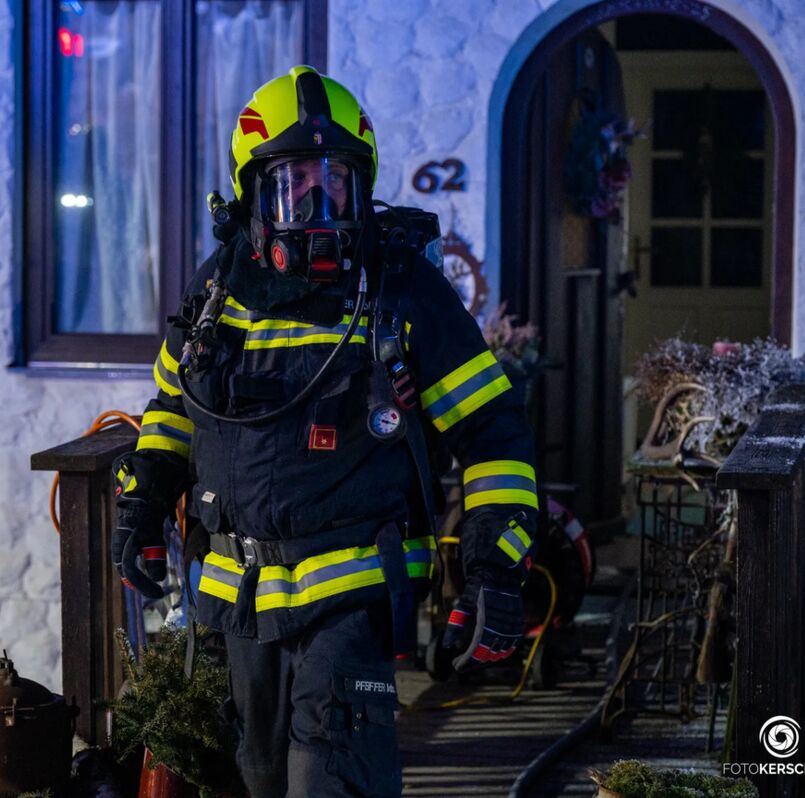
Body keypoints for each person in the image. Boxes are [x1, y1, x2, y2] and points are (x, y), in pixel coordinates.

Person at [111, 66, 539, 798]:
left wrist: (496, 568)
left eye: (336, 178)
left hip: (351, 594)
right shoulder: (218, 290)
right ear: (253, 190)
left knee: (329, 781)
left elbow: (491, 430)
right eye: (295, 180)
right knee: (255, 781)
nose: (318, 199)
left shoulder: (399, 289)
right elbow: (174, 407)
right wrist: (142, 506)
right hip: (239, 602)